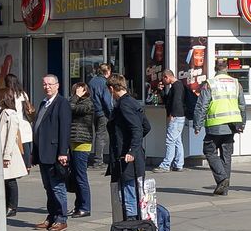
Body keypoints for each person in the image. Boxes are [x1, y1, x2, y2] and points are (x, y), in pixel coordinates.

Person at [30, 73, 71, 231]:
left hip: (55, 153)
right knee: (48, 187)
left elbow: (64, 129)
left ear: (57, 85)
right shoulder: (43, 103)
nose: (47, 87)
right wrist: (34, 150)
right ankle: (52, 216)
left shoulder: (62, 104)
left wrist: (63, 152)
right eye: (45, 84)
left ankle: (61, 218)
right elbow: (38, 128)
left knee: (57, 187)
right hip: (42, 152)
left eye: (50, 84)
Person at [105, 74, 150, 220]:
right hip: (133, 157)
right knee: (135, 192)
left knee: (128, 193)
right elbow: (146, 127)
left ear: (112, 89)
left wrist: (131, 149)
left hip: (126, 158)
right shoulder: (133, 102)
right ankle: (136, 225)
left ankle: (132, 228)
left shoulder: (123, 105)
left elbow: (137, 128)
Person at [202, 60, 244, 195]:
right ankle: (224, 189)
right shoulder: (237, 83)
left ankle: (222, 179)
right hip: (232, 125)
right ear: (227, 68)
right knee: (226, 155)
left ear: (215, 69)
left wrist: (197, 124)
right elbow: (242, 105)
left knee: (209, 151)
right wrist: (242, 123)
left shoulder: (210, 84)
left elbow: (202, 105)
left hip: (215, 125)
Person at [0, 83, 30, 216]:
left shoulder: (10, 114)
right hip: (4, 151)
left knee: (10, 180)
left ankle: (12, 206)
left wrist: (7, 155)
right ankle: (7, 205)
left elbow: (11, 136)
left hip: (9, 152)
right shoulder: (3, 112)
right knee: (5, 180)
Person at [67, 77, 98, 216]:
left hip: (82, 142)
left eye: (77, 91)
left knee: (81, 177)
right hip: (74, 142)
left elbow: (70, 108)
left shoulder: (88, 103)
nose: (74, 93)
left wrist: (76, 97)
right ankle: (78, 205)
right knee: (75, 176)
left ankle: (85, 207)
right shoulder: (78, 101)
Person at [156, 68, 188, 171]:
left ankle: (166, 165)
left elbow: (177, 101)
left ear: (167, 77)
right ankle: (178, 164)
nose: (163, 81)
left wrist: (172, 114)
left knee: (170, 140)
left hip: (176, 116)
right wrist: (160, 91)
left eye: (163, 79)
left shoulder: (177, 86)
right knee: (177, 141)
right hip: (179, 116)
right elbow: (167, 101)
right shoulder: (176, 86)